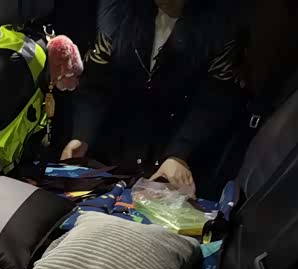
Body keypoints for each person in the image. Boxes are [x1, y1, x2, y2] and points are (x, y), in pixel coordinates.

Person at [59, 0, 247, 197]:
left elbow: (216, 99)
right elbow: (95, 82)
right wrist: (82, 135)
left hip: (178, 156)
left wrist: (180, 152)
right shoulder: (118, 16)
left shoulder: (222, 29)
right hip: (115, 153)